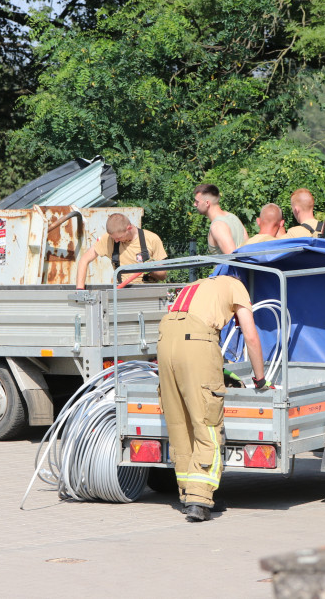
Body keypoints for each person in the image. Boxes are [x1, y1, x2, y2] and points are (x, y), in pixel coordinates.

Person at [158, 274, 268, 522]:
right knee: (206, 423)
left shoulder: (196, 285)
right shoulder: (237, 285)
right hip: (197, 341)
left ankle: (188, 494)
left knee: (179, 424)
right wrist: (260, 379)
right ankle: (200, 500)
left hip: (165, 339)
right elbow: (250, 335)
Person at [75, 213, 167, 289]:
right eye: (113, 238)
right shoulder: (108, 240)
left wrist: (150, 269)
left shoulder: (152, 239)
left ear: (129, 228)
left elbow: (163, 275)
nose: (116, 241)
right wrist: (80, 290)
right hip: (122, 292)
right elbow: (83, 260)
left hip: (148, 292)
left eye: (119, 238)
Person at [193, 184, 247, 254]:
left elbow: (233, 258)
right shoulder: (233, 218)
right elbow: (247, 247)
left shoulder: (217, 226)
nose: (194, 204)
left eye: (197, 202)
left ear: (207, 203)